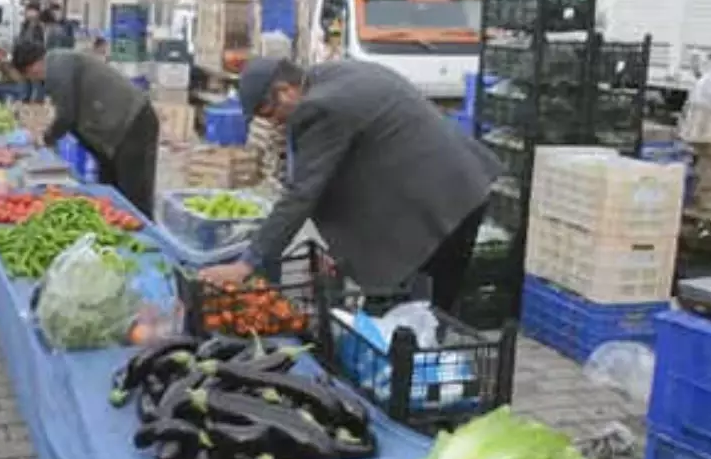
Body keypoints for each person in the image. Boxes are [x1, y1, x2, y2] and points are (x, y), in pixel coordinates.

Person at [197, 57, 503, 313]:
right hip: (454, 183)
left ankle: (414, 377)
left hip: (442, 202)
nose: (275, 123)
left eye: (269, 113)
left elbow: (303, 193)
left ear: (285, 90)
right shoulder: (331, 75)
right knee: (414, 313)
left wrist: (248, 264)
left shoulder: (320, 107)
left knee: (407, 318)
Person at [11, 40, 160, 216]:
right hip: (113, 131)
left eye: (30, 76)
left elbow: (67, 116)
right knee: (109, 193)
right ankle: (114, 232)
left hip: (132, 123)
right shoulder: (57, 63)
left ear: (32, 66)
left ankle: (145, 238)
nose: (34, 80)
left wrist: (45, 139)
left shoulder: (58, 67)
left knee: (134, 196)